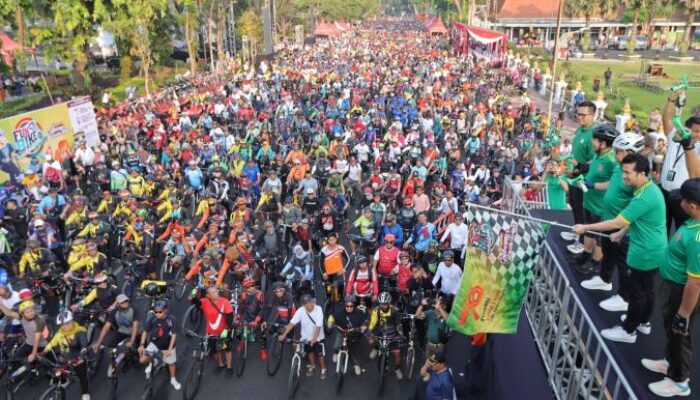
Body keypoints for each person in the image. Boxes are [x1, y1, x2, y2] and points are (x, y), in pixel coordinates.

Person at [573, 153, 667, 343]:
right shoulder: (647, 189)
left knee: (637, 293)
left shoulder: (644, 197)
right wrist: (622, 232)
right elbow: (636, 218)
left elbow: (616, 221)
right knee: (647, 289)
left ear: (642, 173)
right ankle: (643, 322)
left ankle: (628, 331)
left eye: (627, 173)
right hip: (654, 248)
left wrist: (586, 227)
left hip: (644, 251)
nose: (623, 176)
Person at [642, 178, 700, 397]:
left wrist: (683, 314)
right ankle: (669, 362)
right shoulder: (692, 221)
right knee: (670, 328)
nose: (679, 203)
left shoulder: (697, 236)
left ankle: (680, 381)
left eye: (682, 200)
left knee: (679, 333)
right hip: (673, 285)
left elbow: (695, 282)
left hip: (681, 290)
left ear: (692, 205)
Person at [580, 132, 645, 313]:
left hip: (623, 228)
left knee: (623, 264)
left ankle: (624, 298)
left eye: (619, 151)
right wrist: (592, 185)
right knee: (608, 253)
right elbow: (611, 184)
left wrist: (624, 229)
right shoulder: (619, 167)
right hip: (609, 219)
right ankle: (604, 279)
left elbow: (637, 207)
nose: (616, 154)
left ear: (631, 152)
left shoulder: (637, 175)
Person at [575, 124, 618, 274]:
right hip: (589, 201)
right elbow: (592, 165)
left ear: (604, 143)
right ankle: (586, 255)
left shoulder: (612, 161)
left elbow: (613, 183)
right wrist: (582, 168)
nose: (592, 141)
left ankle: (594, 263)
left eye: (594, 139)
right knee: (589, 231)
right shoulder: (597, 154)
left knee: (599, 237)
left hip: (601, 206)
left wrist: (593, 185)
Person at [660, 90, 700, 235]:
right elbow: (666, 119)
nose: (697, 135)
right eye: (695, 131)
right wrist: (671, 100)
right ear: (685, 128)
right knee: (662, 226)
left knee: (681, 229)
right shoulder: (674, 138)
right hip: (664, 192)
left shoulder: (698, 147)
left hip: (684, 197)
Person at [561, 101, 597, 255]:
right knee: (575, 205)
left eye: (583, 115)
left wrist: (577, 168)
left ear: (592, 115)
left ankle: (582, 242)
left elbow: (593, 161)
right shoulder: (580, 130)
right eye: (578, 114)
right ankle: (577, 231)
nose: (579, 117)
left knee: (583, 210)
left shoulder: (594, 134)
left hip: (585, 180)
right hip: (575, 178)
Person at [43, 311, 91, 400]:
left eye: (67, 323)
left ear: (72, 321)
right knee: (57, 372)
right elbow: (52, 343)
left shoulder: (80, 331)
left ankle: (85, 393)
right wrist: (43, 352)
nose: (65, 326)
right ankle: (64, 381)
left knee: (82, 376)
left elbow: (84, 345)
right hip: (65, 358)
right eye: (63, 324)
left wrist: (81, 357)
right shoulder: (60, 333)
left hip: (77, 358)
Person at [278, 294, 327, 379]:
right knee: (309, 352)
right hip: (306, 336)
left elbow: (318, 325)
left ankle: (323, 368)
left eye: (308, 302)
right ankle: (312, 366)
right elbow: (292, 323)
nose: (307, 305)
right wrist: (284, 334)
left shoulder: (318, 309)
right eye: (305, 304)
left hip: (318, 336)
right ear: (302, 305)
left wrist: (315, 338)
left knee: (320, 354)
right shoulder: (301, 310)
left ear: (312, 302)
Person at [91, 294, 140, 376]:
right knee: (111, 345)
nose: (125, 303)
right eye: (122, 302)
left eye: (126, 301)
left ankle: (132, 359)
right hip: (122, 331)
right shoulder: (114, 312)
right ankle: (120, 360)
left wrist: (132, 340)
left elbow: (135, 326)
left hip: (135, 332)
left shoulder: (134, 310)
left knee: (133, 349)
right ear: (118, 304)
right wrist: (99, 341)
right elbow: (107, 326)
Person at [138, 299, 181, 390]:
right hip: (155, 344)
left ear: (165, 310)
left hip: (167, 346)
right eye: (155, 312)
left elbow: (174, 336)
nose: (157, 314)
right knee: (142, 359)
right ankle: (153, 361)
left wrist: (169, 350)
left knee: (171, 363)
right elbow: (145, 332)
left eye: (160, 312)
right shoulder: (152, 319)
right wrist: (142, 345)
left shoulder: (172, 320)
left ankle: (173, 379)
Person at [326, 295, 368, 376]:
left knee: (354, 352)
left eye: (351, 306)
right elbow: (332, 316)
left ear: (354, 305)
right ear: (345, 305)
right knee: (336, 346)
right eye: (347, 306)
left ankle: (356, 365)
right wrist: (330, 324)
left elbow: (365, 320)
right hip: (342, 332)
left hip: (353, 334)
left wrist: (362, 327)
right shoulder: (339, 311)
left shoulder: (359, 313)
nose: (349, 308)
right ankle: (335, 352)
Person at [368, 291, 403, 380]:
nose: (383, 306)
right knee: (371, 341)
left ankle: (397, 369)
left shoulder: (395, 310)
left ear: (389, 303)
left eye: (385, 304)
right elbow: (373, 322)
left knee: (397, 352)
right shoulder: (377, 310)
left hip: (392, 331)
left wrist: (400, 332)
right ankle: (376, 348)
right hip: (380, 329)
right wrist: (370, 330)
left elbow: (398, 323)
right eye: (381, 304)